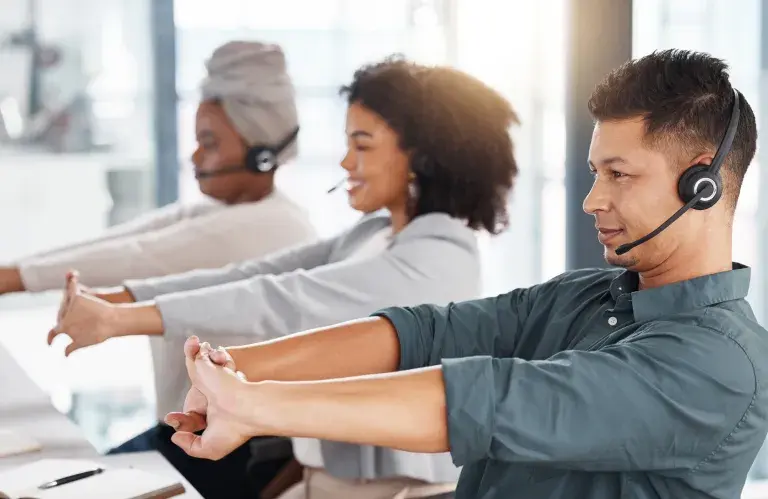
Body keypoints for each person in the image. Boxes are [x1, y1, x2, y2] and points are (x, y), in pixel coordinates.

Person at [164, 49, 768, 499]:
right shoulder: (582, 298)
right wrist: (239, 370)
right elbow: (428, 333)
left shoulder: (720, 363)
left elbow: (495, 404)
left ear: (701, 184)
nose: (591, 199)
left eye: (619, 174)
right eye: (594, 172)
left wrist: (256, 406)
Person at [50, 56, 521, 499]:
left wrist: (120, 320)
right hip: (325, 476)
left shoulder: (440, 254)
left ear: (422, 158)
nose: (344, 162)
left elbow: (282, 298)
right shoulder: (376, 232)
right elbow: (262, 272)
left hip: (394, 488)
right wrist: (117, 302)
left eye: (362, 144)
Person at [0, 40, 316, 295]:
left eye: (209, 144)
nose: (195, 158)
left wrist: (14, 279)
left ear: (261, 154)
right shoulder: (228, 210)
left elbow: (141, 253)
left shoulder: (273, 225)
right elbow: (129, 237)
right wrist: (13, 271)